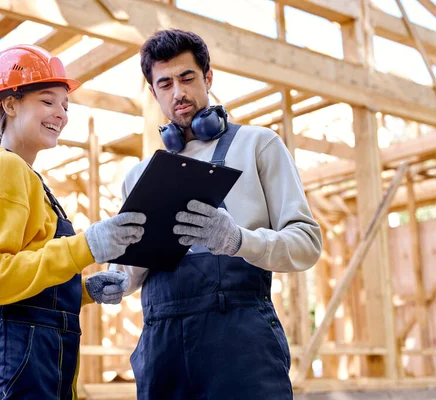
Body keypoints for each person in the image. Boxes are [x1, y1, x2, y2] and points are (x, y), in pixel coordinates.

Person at [109, 30, 322, 399]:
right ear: (154, 92)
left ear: (208, 78)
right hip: (164, 353)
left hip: (240, 347)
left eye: (187, 78)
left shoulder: (257, 145)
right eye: (165, 83)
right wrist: (115, 279)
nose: (178, 92)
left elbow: (306, 244)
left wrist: (238, 240)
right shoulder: (138, 177)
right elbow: (134, 269)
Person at [0, 44, 146, 399]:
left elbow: (24, 278)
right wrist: (87, 245)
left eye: (65, 105)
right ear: (10, 105)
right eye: (47, 101)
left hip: (38, 355)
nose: (60, 113)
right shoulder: (5, 168)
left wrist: (82, 290)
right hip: (13, 359)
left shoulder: (27, 177)